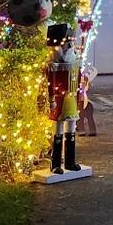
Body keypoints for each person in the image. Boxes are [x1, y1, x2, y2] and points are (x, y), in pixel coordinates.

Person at [45, 24, 82, 174]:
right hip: (59, 99)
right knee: (58, 129)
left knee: (72, 128)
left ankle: (70, 161)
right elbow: (50, 82)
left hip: (72, 98)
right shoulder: (53, 64)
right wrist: (51, 98)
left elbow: (78, 79)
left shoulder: (74, 60)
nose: (68, 46)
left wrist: (80, 95)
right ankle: (55, 164)